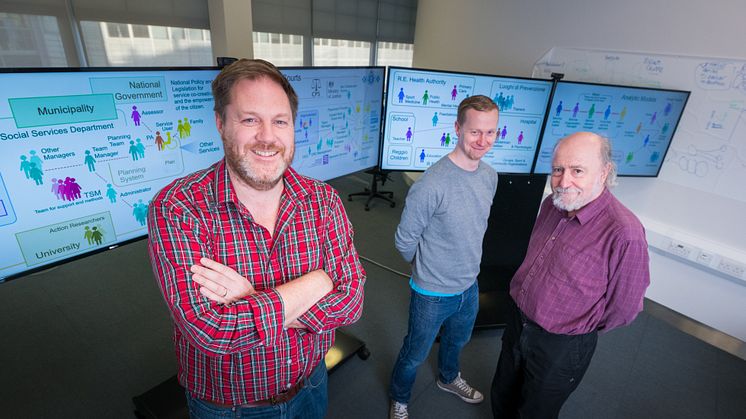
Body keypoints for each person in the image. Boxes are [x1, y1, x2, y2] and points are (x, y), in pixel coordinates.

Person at [147, 59, 366, 419]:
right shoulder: (177, 209)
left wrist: (250, 299)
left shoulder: (323, 201)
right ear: (221, 124)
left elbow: (352, 303)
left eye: (279, 121)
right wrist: (320, 281)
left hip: (311, 383)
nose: (267, 136)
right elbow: (212, 331)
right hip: (230, 407)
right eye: (250, 120)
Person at [490, 131, 650, 419]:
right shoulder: (552, 204)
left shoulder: (625, 232)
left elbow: (623, 308)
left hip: (561, 344)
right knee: (503, 391)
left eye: (577, 170)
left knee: (536, 410)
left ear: (604, 172)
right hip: (518, 321)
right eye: (558, 170)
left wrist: (577, 326)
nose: (564, 182)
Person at [389, 95, 499, 419]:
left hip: (469, 286)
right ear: (457, 128)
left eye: (490, 132)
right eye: (475, 132)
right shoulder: (432, 184)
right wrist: (425, 269)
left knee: (457, 341)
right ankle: (399, 398)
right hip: (432, 293)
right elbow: (403, 240)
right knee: (414, 354)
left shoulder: (490, 176)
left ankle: (448, 378)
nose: (482, 140)